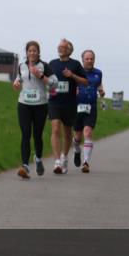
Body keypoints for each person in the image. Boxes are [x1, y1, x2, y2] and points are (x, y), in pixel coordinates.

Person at [12, 41, 53, 179]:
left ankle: (39, 159)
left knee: (37, 135)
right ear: (27, 52)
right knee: (25, 133)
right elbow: (19, 79)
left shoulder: (44, 66)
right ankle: (25, 166)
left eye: (35, 50)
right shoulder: (21, 66)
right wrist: (16, 83)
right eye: (30, 50)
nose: (32, 53)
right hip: (24, 104)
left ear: (38, 52)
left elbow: (55, 83)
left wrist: (41, 76)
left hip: (40, 105)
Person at [48, 39, 88, 174]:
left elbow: (85, 81)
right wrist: (49, 87)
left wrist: (72, 75)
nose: (60, 48)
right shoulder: (52, 63)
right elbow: (46, 79)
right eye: (59, 46)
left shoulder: (75, 64)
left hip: (69, 102)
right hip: (54, 101)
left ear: (69, 50)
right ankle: (57, 161)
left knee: (66, 131)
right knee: (55, 129)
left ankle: (65, 157)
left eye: (63, 47)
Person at [73, 50, 105, 173]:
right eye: (87, 59)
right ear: (83, 60)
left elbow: (99, 85)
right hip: (77, 107)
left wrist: (101, 91)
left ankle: (85, 162)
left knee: (88, 132)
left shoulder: (98, 73)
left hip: (91, 107)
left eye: (91, 59)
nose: (89, 61)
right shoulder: (77, 72)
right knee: (77, 137)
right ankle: (76, 150)